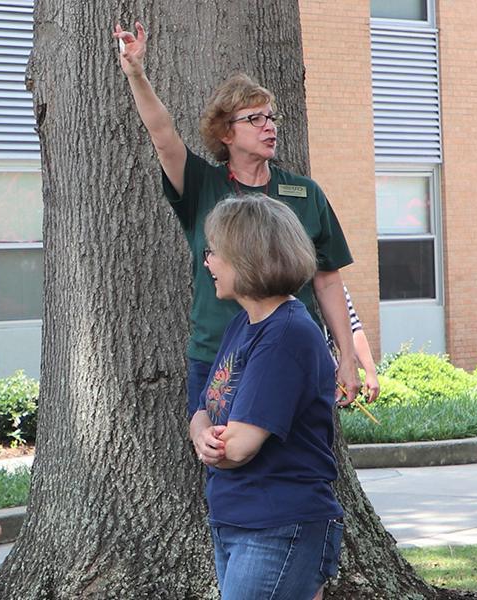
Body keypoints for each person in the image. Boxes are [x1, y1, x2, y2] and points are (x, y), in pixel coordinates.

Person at [113, 22, 376, 408]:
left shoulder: (305, 193)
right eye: (255, 118)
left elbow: (328, 282)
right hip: (219, 357)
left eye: (270, 118)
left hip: (293, 354)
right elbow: (162, 134)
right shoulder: (201, 186)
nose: (268, 127)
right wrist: (136, 73)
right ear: (225, 133)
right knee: (223, 453)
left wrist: (347, 357)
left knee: (296, 459)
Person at [190, 194, 342, 600]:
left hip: (279, 528)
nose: (208, 263)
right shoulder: (244, 325)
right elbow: (203, 408)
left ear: (247, 256)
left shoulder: (286, 335)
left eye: (215, 252)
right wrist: (201, 433)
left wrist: (212, 442)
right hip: (237, 521)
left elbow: (239, 448)